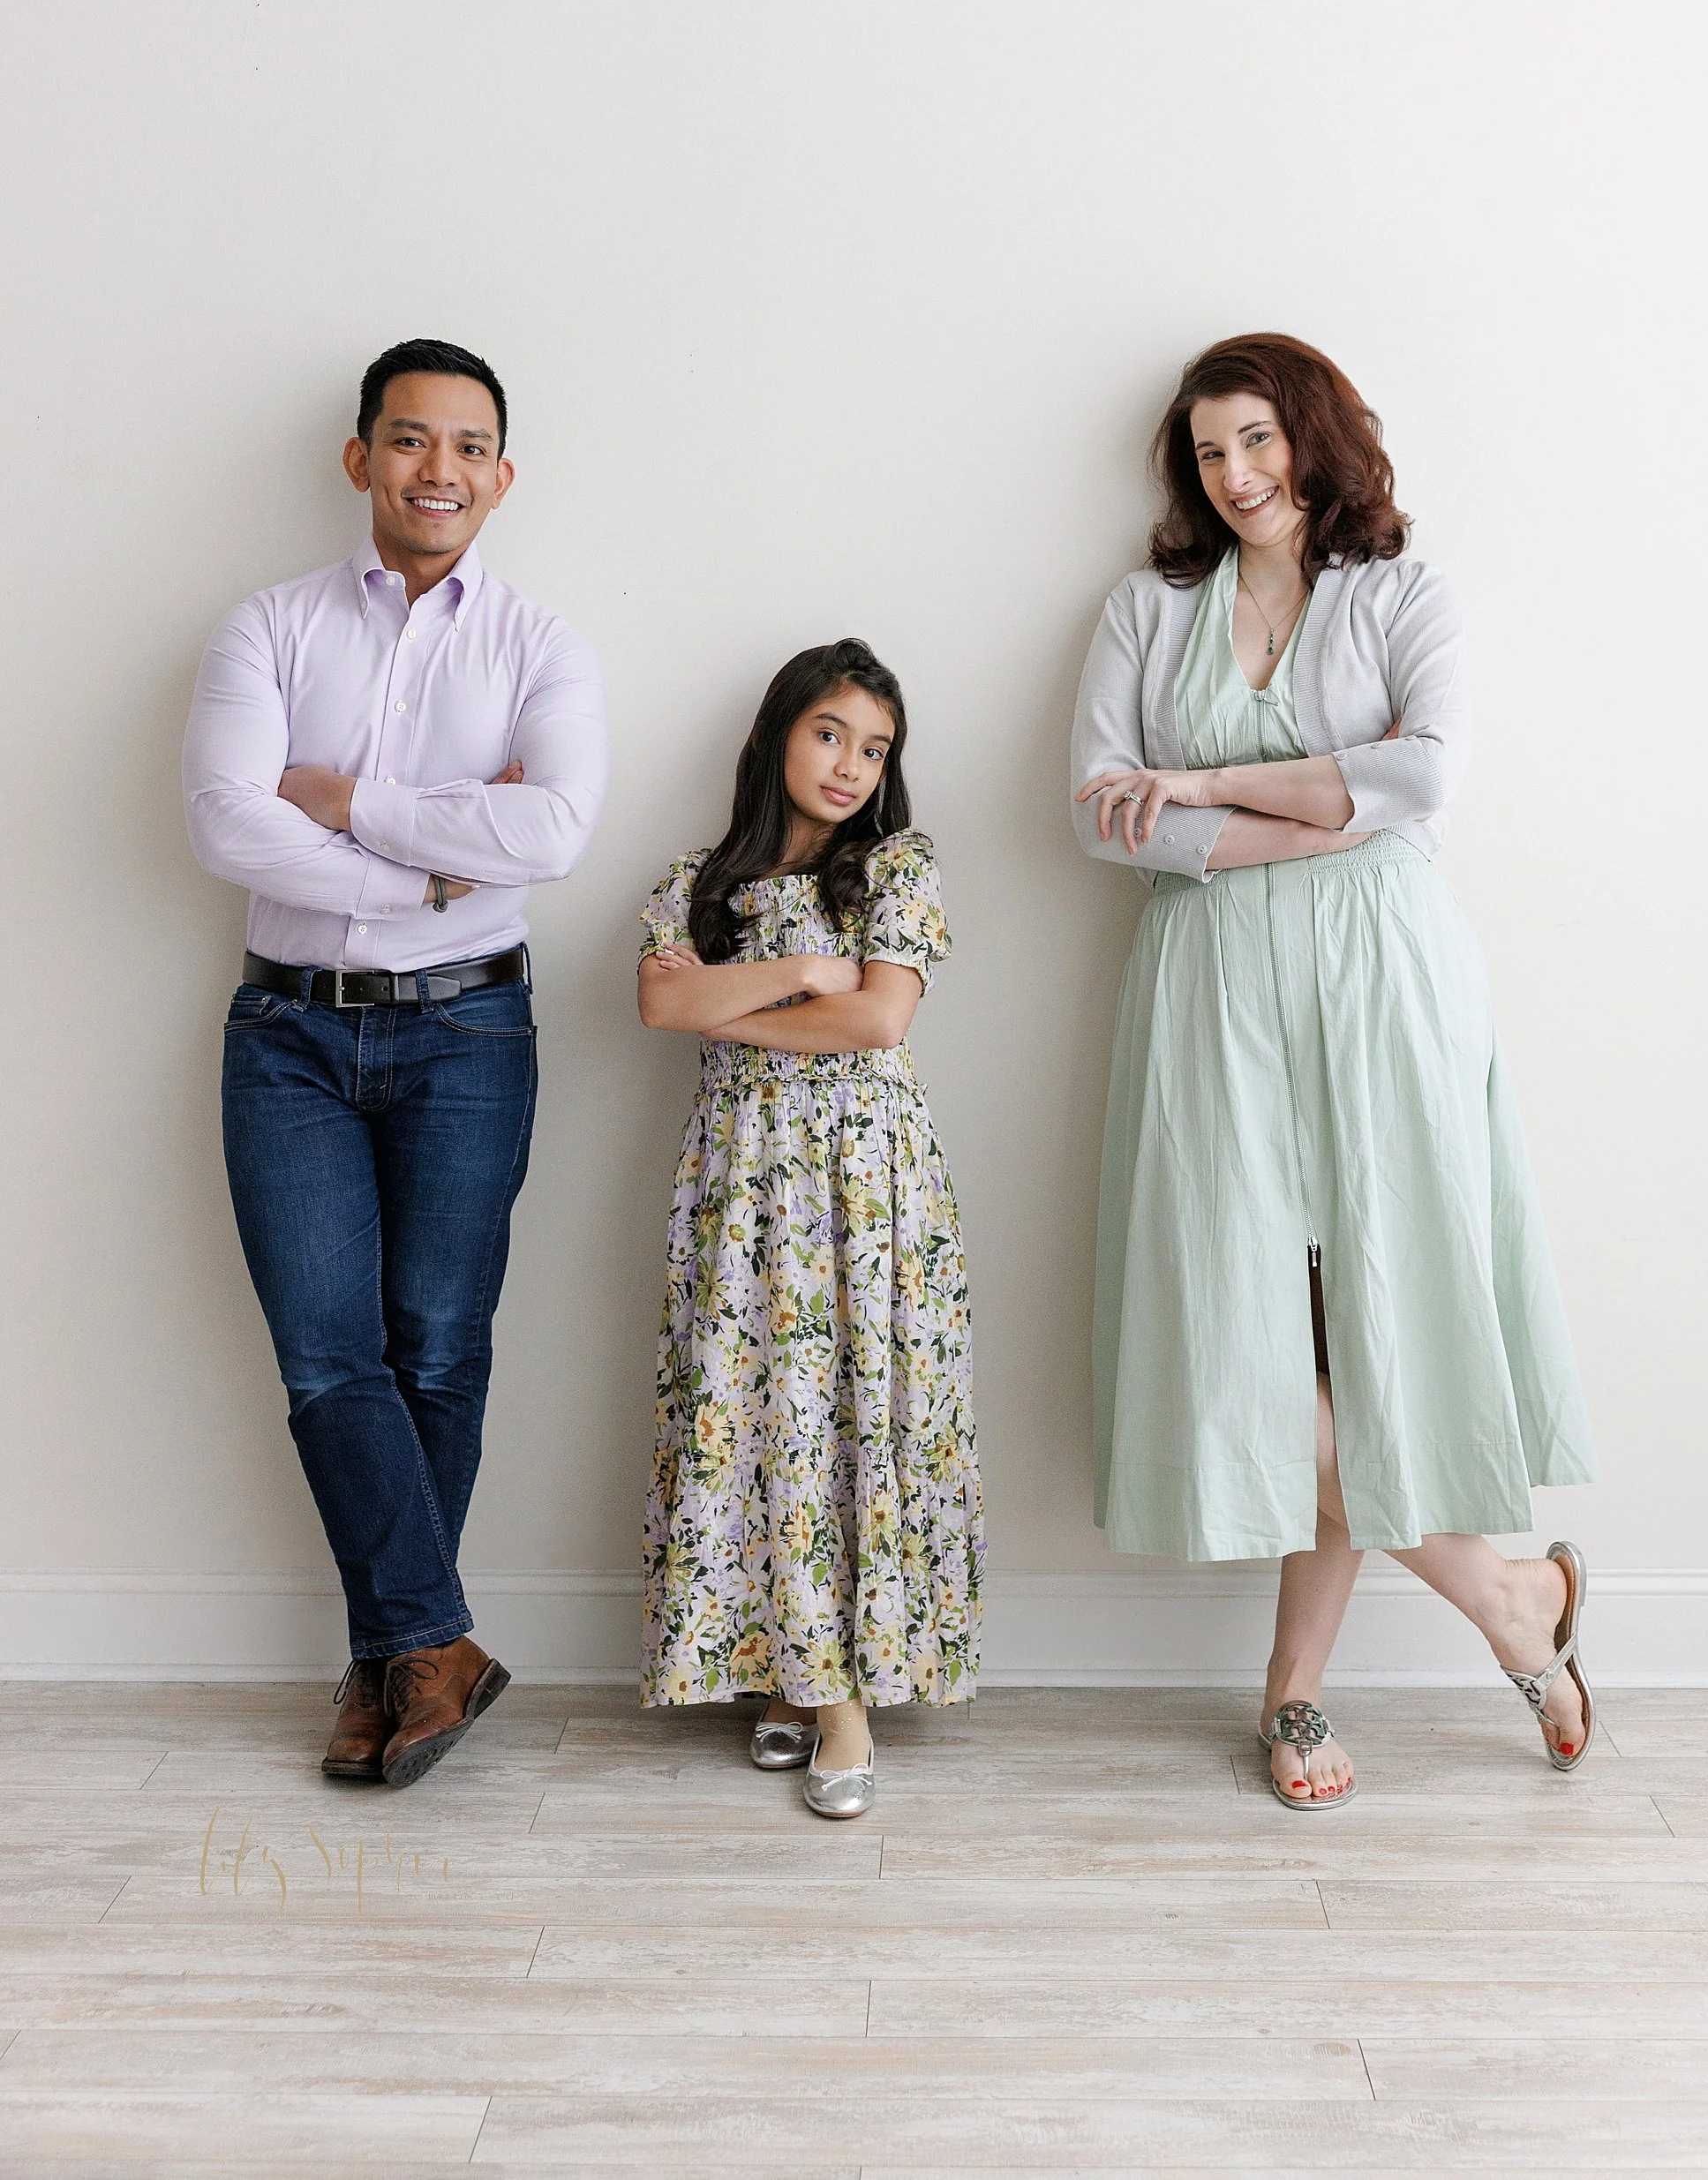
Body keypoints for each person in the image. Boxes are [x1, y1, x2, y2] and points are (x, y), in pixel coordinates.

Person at [1072, 333, 1598, 1809]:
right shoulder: (1144, 605)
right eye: (1208, 451)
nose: (1234, 476)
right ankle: (1512, 1603)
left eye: (1256, 440)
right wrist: (1318, 811)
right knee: (1249, 1333)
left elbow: (1427, 775)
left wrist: (1211, 782)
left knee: (1373, 1320)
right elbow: (1103, 811)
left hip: (1383, 983)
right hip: (1209, 989)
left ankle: (1290, 1693)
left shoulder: (1402, 593)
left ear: (1311, 435)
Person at [184, 338, 606, 1787]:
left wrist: (353, 808)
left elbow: (550, 835)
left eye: (469, 444)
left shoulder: (539, 645)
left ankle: (389, 1665)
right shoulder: (268, 627)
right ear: (362, 459)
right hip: (287, 1033)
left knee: (438, 1345)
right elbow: (229, 824)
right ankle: (432, 1642)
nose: (441, 469)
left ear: (502, 473)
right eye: (411, 441)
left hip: (471, 1028)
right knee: (324, 1354)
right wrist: (428, 867)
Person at [636, 640, 982, 1819]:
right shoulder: (696, 881)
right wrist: (806, 971)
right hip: (742, 1178)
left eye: (873, 746)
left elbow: (880, 1021)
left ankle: (844, 1698)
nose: (849, 763)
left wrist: (744, 1003)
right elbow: (658, 1001)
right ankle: (783, 1666)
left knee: (848, 1412)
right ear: (778, 733)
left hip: (865, 1183)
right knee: (757, 1415)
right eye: (830, 731)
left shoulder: (898, 864)